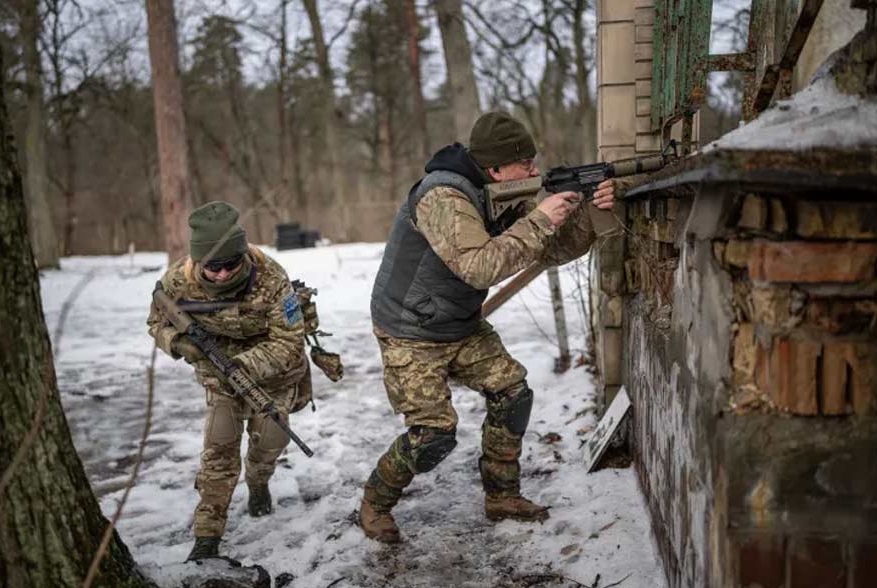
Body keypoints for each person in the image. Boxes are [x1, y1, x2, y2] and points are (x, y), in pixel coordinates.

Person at [361, 111, 618, 543]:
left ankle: (502, 496)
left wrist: (587, 214)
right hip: (411, 330)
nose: (534, 171)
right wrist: (540, 219)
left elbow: (547, 251)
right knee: (433, 436)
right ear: (497, 168)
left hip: (459, 322)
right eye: (525, 163)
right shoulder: (442, 197)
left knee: (513, 393)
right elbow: (480, 267)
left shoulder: (496, 192)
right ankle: (375, 502)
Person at [147, 201, 311, 561]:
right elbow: (156, 322)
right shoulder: (177, 280)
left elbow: (288, 341)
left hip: (274, 374)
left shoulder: (272, 278)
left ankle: (258, 481)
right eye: (212, 267)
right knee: (219, 450)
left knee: (270, 440)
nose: (221, 275)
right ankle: (207, 536)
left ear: (244, 256)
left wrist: (242, 365)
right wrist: (179, 343)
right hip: (218, 377)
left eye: (230, 265)